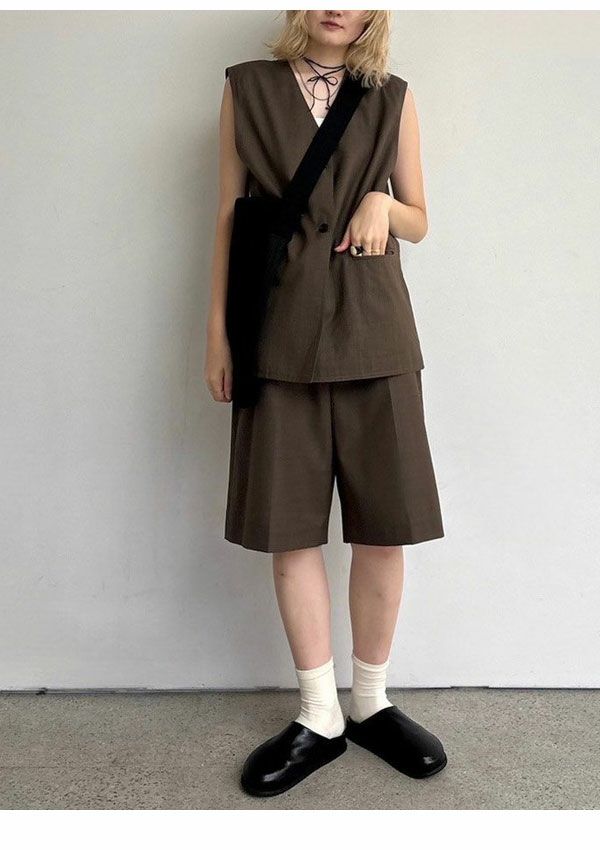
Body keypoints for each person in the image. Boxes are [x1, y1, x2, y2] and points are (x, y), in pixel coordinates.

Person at [204, 10, 447, 797]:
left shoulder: (393, 95)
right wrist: (218, 335)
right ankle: (318, 714)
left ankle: (371, 702)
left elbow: (420, 218)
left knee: (386, 525)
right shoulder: (246, 89)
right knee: (290, 526)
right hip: (276, 331)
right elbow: (230, 215)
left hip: (376, 332)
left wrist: (383, 207)